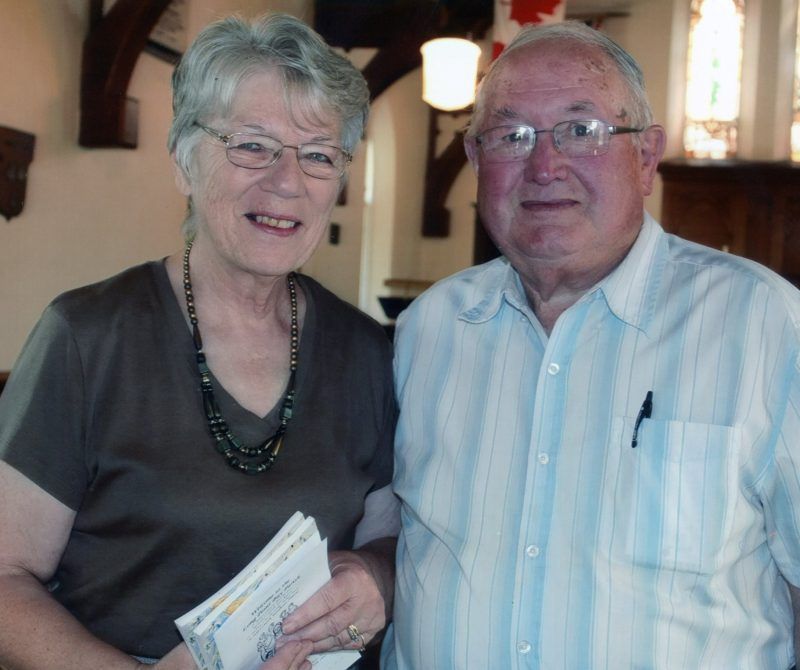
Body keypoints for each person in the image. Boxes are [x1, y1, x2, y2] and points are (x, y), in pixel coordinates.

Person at [382, 20, 800, 670]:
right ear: (475, 160)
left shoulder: (765, 327)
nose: (545, 165)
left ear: (646, 155)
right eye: (511, 136)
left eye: (582, 131)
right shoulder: (428, 331)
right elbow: (391, 529)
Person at [0, 13, 398, 670]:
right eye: (252, 145)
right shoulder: (88, 339)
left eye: (320, 155)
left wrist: (374, 583)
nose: (287, 181)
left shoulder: (366, 354)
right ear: (185, 160)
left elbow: (388, 543)